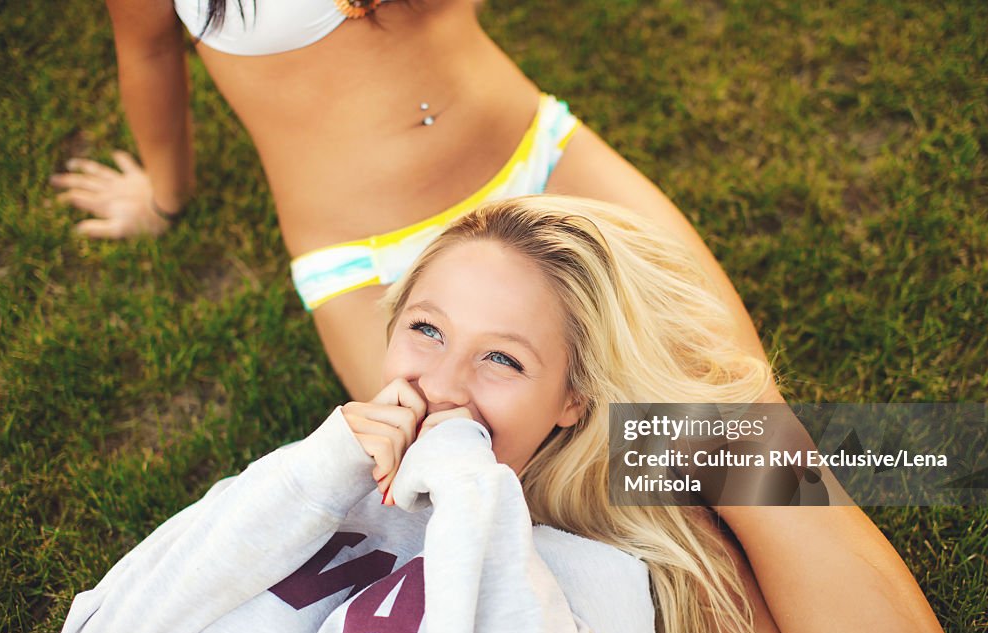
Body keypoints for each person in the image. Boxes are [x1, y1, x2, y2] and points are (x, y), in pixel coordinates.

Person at [55, 197, 965, 633]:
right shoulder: (303, 482)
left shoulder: (629, 564)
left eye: (502, 358)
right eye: (425, 329)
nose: (442, 386)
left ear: (572, 398)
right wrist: (316, 470)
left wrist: (733, 433)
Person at [49, 0, 780, 403]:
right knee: (564, 515)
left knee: (754, 427)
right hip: (375, 264)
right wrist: (164, 196)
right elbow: (146, 51)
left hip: (539, 157)